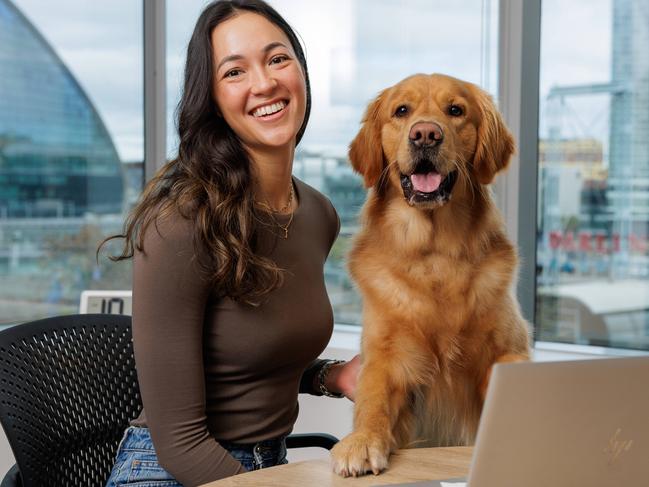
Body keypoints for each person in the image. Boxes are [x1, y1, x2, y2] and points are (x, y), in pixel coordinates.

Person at [101, 1, 359, 485]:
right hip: (171, 471)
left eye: (277, 59)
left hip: (268, 464)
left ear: (301, 70)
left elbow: (250, 356)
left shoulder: (319, 214)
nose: (264, 83)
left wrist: (332, 376)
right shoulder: (181, 222)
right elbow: (179, 442)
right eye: (235, 71)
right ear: (212, 99)